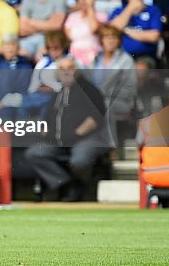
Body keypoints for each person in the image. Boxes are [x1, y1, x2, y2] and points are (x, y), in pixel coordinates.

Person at [24, 56, 108, 201]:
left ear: (77, 71)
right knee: (34, 154)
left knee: (79, 160)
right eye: (62, 69)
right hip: (58, 141)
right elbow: (48, 117)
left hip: (85, 139)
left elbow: (97, 116)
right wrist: (46, 131)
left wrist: (78, 133)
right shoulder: (59, 92)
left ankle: (82, 186)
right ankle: (65, 184)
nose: (66, 72)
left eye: (70, 68)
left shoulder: (89, 89)